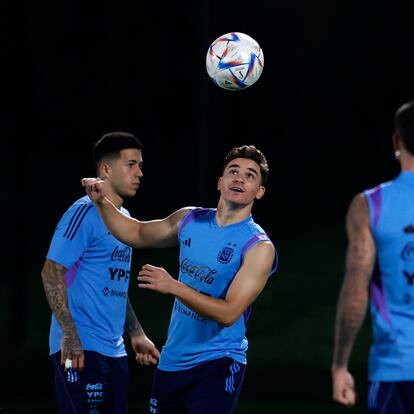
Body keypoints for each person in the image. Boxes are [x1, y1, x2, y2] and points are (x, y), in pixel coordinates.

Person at [82, 144, 278, 414]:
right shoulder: (191, 219)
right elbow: (136, 233)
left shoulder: (258, 246)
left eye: (250, 175)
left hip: (218, 361)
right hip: (172, 362)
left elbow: (229, 313)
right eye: (233, 171)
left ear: (260, 191)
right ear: (220, 182)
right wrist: (101, 201)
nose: (239, 179)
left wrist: (174, 286)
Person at [41, 132, 160, 414]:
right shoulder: (83, 211)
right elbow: (51, 272)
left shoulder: (126, 220)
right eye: (131, 165)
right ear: (105, 169)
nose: (139, 173)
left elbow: (115, 283)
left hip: (115, 352)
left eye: (140, 165)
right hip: (78, 349)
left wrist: (136, 332)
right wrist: (69, 334)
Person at [331, 100, 414, 413]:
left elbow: (356, 292)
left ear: (396, 141)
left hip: (398, 368)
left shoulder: (370, 205)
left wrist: (340, 365)